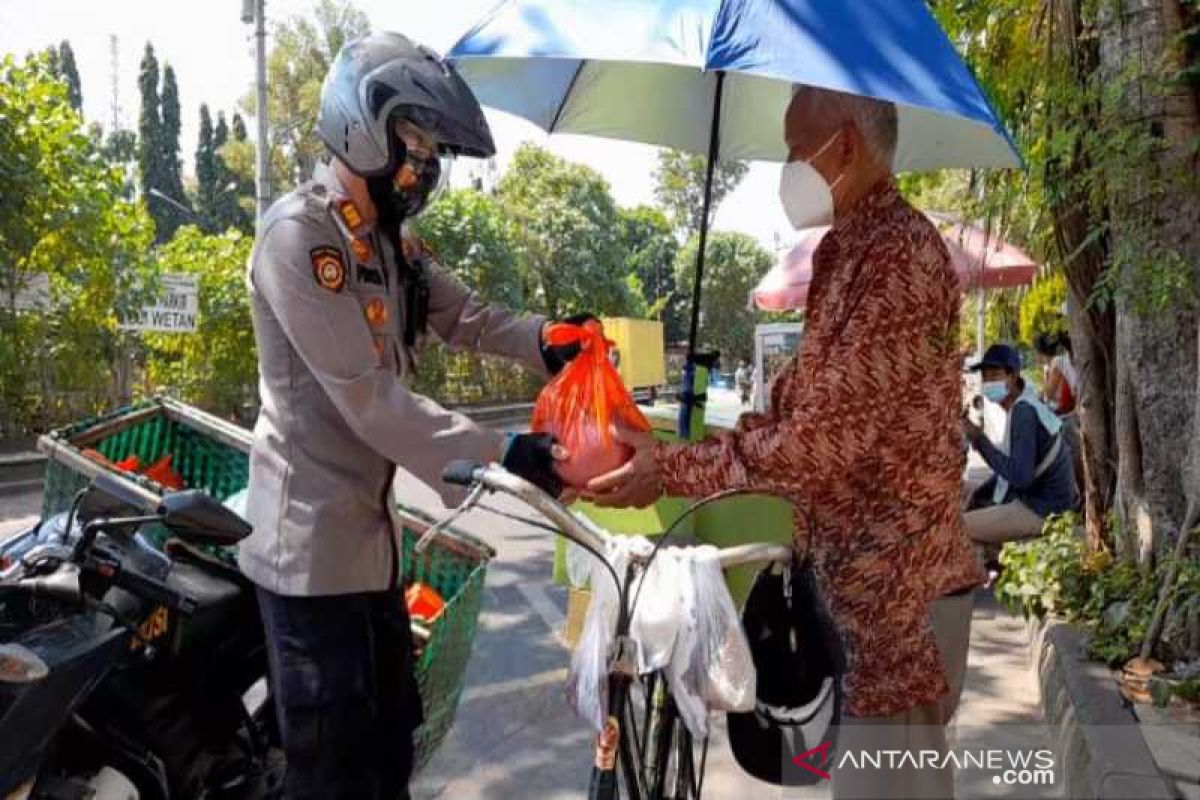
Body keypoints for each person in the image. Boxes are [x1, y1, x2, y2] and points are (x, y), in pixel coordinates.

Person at [587, 84, 983, 799]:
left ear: (847, 145)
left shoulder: (897, 262)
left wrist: (672, 470)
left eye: (797, 149)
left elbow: (818, 448)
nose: (788, 167)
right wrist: (685, 440)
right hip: (854, 603)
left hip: (897, 608)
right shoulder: (844, 254)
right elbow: (792, 412)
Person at [240, 32, 585, 799]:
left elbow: (470, 317)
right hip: (308, 559)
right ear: (362, 123)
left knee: (392, 746)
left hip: (371, 551)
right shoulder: (301, 239)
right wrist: (502, 453)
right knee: (331, 771)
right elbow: (368, 397)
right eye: (415, 141)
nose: (425, 165)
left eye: (432, 150)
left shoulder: (392, 246)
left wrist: (549, 341)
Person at [962, 343, 1078, 555]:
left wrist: (980, 441)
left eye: (996, 374)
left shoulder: (1023, 413)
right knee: (966, 489)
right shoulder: (1023, 404)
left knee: (959, 526)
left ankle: (981, 567)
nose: (989, 382)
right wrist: (980, 494)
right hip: (1036, 497)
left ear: (1013, 376)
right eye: (986, 377)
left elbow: (1020, 476)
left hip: (1043, 508)